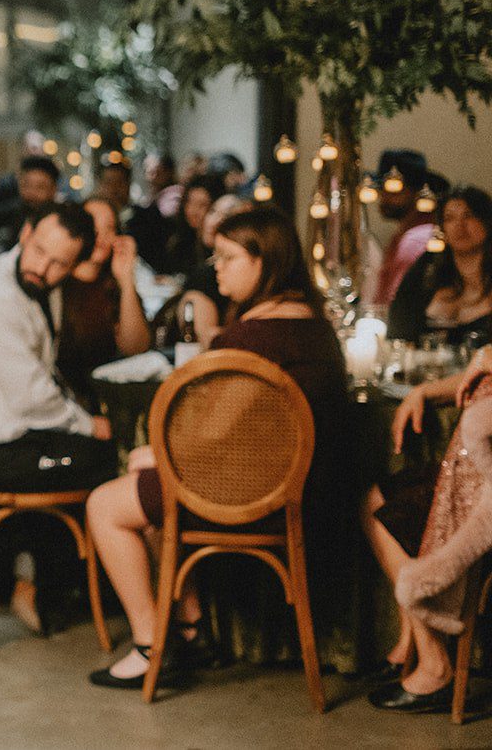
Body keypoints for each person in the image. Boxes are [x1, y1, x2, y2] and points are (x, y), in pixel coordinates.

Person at [86, 205, 351, 688]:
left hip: (253, 496)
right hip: (312, 489)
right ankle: (190, 629)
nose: (217, 270)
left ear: (264, 260)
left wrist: (159, 454)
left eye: (228, 258)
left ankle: (150, 646)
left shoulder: (252, 336)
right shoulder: (314, 326)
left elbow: (212, 432)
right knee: (149, 488)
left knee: (105, 505)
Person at [0, 202, 116, 630]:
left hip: (26, 438)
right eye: (38, 251)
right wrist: (89, 424)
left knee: (90, 457)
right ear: (25, 233)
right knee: (106, 458)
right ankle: (68, 586)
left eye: (58, 264)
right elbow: (31, 397)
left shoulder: (40, 285)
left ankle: (37, 582)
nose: (42, 268)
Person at [362, 344, 492, 712]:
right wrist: (425, 391)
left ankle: (434, 665)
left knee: (388, 508)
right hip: (471, 471)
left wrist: (485, 357)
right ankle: (413, 641)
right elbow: (478, 375)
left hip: (483, 486)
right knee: (377, 498)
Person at [60, 197, 154, 400]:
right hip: (64, 398)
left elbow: (136, 348)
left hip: (107, 395)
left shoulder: (113, 285)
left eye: (109, 228)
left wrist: (126, 279)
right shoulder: (56, 280)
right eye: (92, 225)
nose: (100, 236)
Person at [389, 186, 492, 347]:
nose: (459, 225)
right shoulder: (427, 265)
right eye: (449, 218)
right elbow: (398, 328)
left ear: (486, 222)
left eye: (469, 216)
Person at [171, 192, 251, 347]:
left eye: (227, 215)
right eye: (213, 211)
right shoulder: (204, 273)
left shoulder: (211, 276)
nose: (214, 221)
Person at [0, 153, 59, 255]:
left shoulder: (59, 223)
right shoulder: (8, 214)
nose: (32, 193)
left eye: (40, 187)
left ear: (53, 190)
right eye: (26, 185)